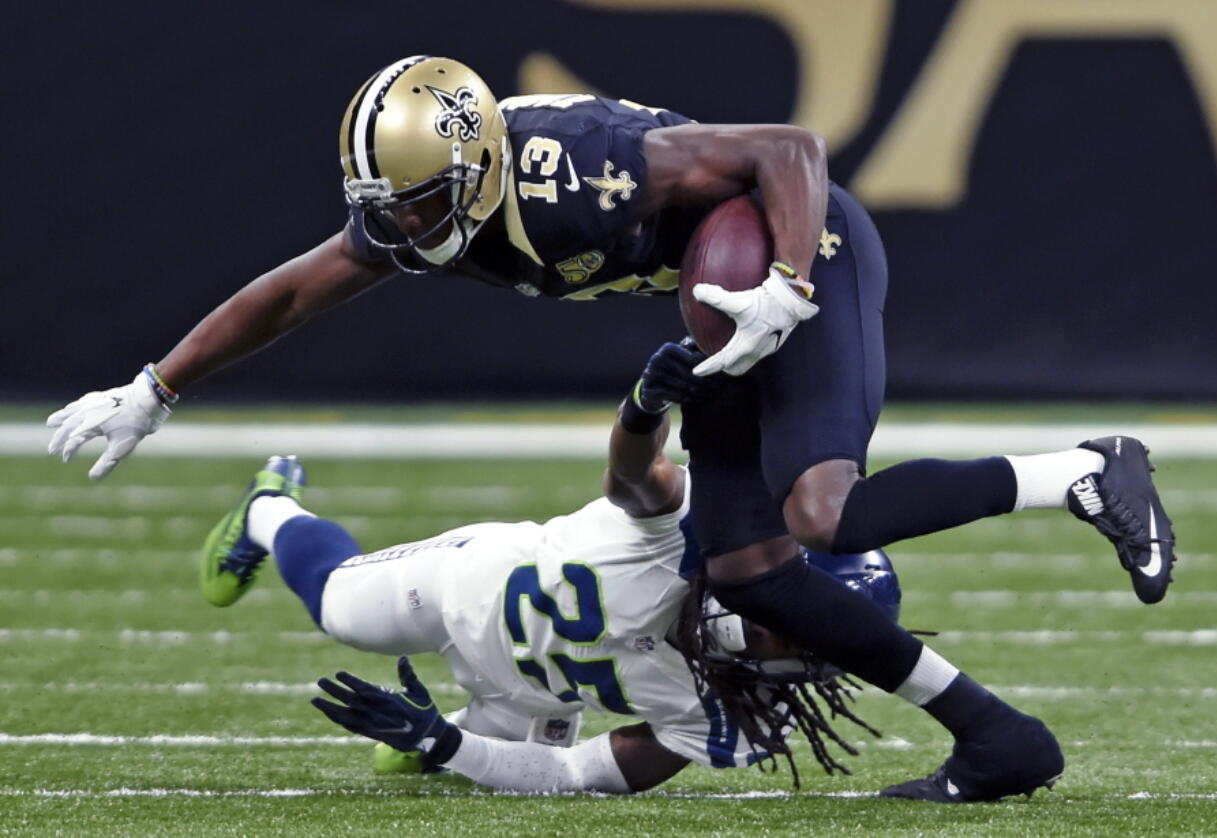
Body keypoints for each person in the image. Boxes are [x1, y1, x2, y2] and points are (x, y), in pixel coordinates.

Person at [51, 54, 1160, 797]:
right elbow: (295, 288)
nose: (400, 228)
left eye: (421, 203)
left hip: (788, 251)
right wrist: (157, 386)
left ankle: (1076, 470)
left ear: (480, 169)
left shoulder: (577, 171)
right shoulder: (424, 199)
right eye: (385, 206)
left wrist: (779, 281)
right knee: (753, 568)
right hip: (713, 298)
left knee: (816, 513)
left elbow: (791, 154)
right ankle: (996, 736)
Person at [201, 346, 1060, 799]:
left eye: (810, 646)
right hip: (479, 584)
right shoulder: (710, 531)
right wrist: (644, 409)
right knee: (343, 608)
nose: (779, 652)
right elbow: (632, 477)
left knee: (478, 765)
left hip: (540, 698)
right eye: (788, 626)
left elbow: (580, 776)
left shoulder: (734, 719)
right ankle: (269, 508)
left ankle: (458, 721)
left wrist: (448, 744)